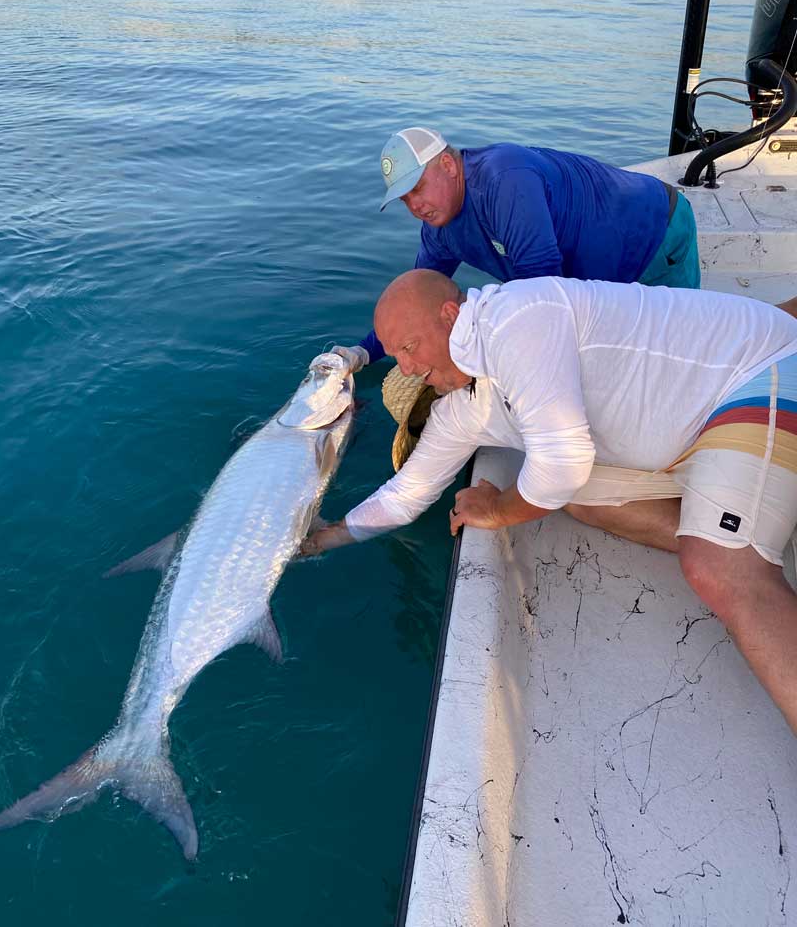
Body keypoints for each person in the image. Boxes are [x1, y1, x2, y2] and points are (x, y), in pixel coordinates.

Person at [308, 268, 797, 736]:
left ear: (451, 317)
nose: (409, 367)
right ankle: (749, 523)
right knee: (580, 499)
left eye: (410, 348)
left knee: (717, 569)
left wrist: (498, 509)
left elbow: (561, 464)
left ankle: (739, 542)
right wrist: (320, 539)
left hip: (759, 372)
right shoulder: (460, 406)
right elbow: (405, 494)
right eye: (397, 357)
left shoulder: (517, 319)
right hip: (691, 435)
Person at [331, 127, 700, 372]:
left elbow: (543, 288)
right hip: (592, 272)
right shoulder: (438, 228)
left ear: (448, 164)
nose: (415, 205)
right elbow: (415, 303)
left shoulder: (503, 179)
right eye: (404, 198)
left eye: (419, 188)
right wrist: (362, 353)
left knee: (679, 351)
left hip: (655, 233)